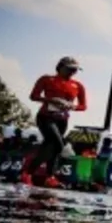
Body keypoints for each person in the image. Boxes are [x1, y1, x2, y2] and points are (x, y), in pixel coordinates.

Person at [22, 57, 87, 188]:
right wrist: (51, 100)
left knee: (50, 147)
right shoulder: (47, 79)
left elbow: (83, 106)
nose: (72, 72)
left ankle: (48, 177)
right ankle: (28, 173)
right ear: (60, 67)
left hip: (62, 120)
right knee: (57, 143)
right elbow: (34, 96)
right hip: (46, 117)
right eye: (70, 69)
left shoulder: (78, 85)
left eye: (75, 70)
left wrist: (72, 106)